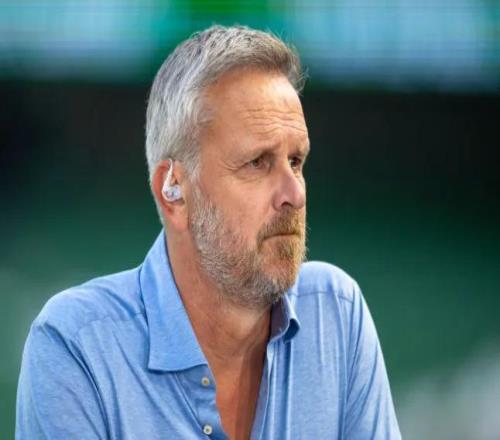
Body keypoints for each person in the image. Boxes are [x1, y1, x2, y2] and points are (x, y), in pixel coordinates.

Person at [16, 25, 401, 439]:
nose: (295, 194)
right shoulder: (76, 348)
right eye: (257, 163)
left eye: (295, 161)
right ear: (174, 192)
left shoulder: (336, 314)